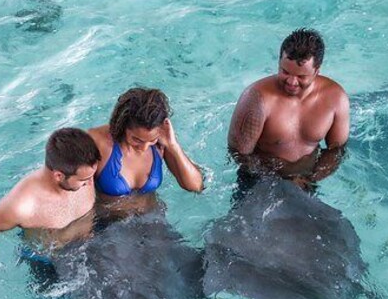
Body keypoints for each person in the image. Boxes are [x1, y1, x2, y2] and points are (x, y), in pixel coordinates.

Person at [0, 128, 101, 299]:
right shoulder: (22, 206)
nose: (92, 182)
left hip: (90, 245)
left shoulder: (83, 172)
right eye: (84, 179)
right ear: (59, 176)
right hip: (48, 264)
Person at [228, 28, 350, 190]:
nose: (291, 82)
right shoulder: (256, 99)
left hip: (305, 181)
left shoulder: (335, 98)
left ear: (316, 70)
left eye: (301, 77)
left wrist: (311, 178)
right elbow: (239, 154)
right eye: (285, 72)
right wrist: (283, 182)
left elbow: (336, 150)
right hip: (259, 183)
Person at [88, 88, 203, 212]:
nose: (144, 148)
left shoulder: (161, 143)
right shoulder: (96, 142)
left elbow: (196, 186)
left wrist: (173, 146)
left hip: (152, 218)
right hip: (109, 224)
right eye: (137, 140)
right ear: (122, 126)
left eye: (152, 140)